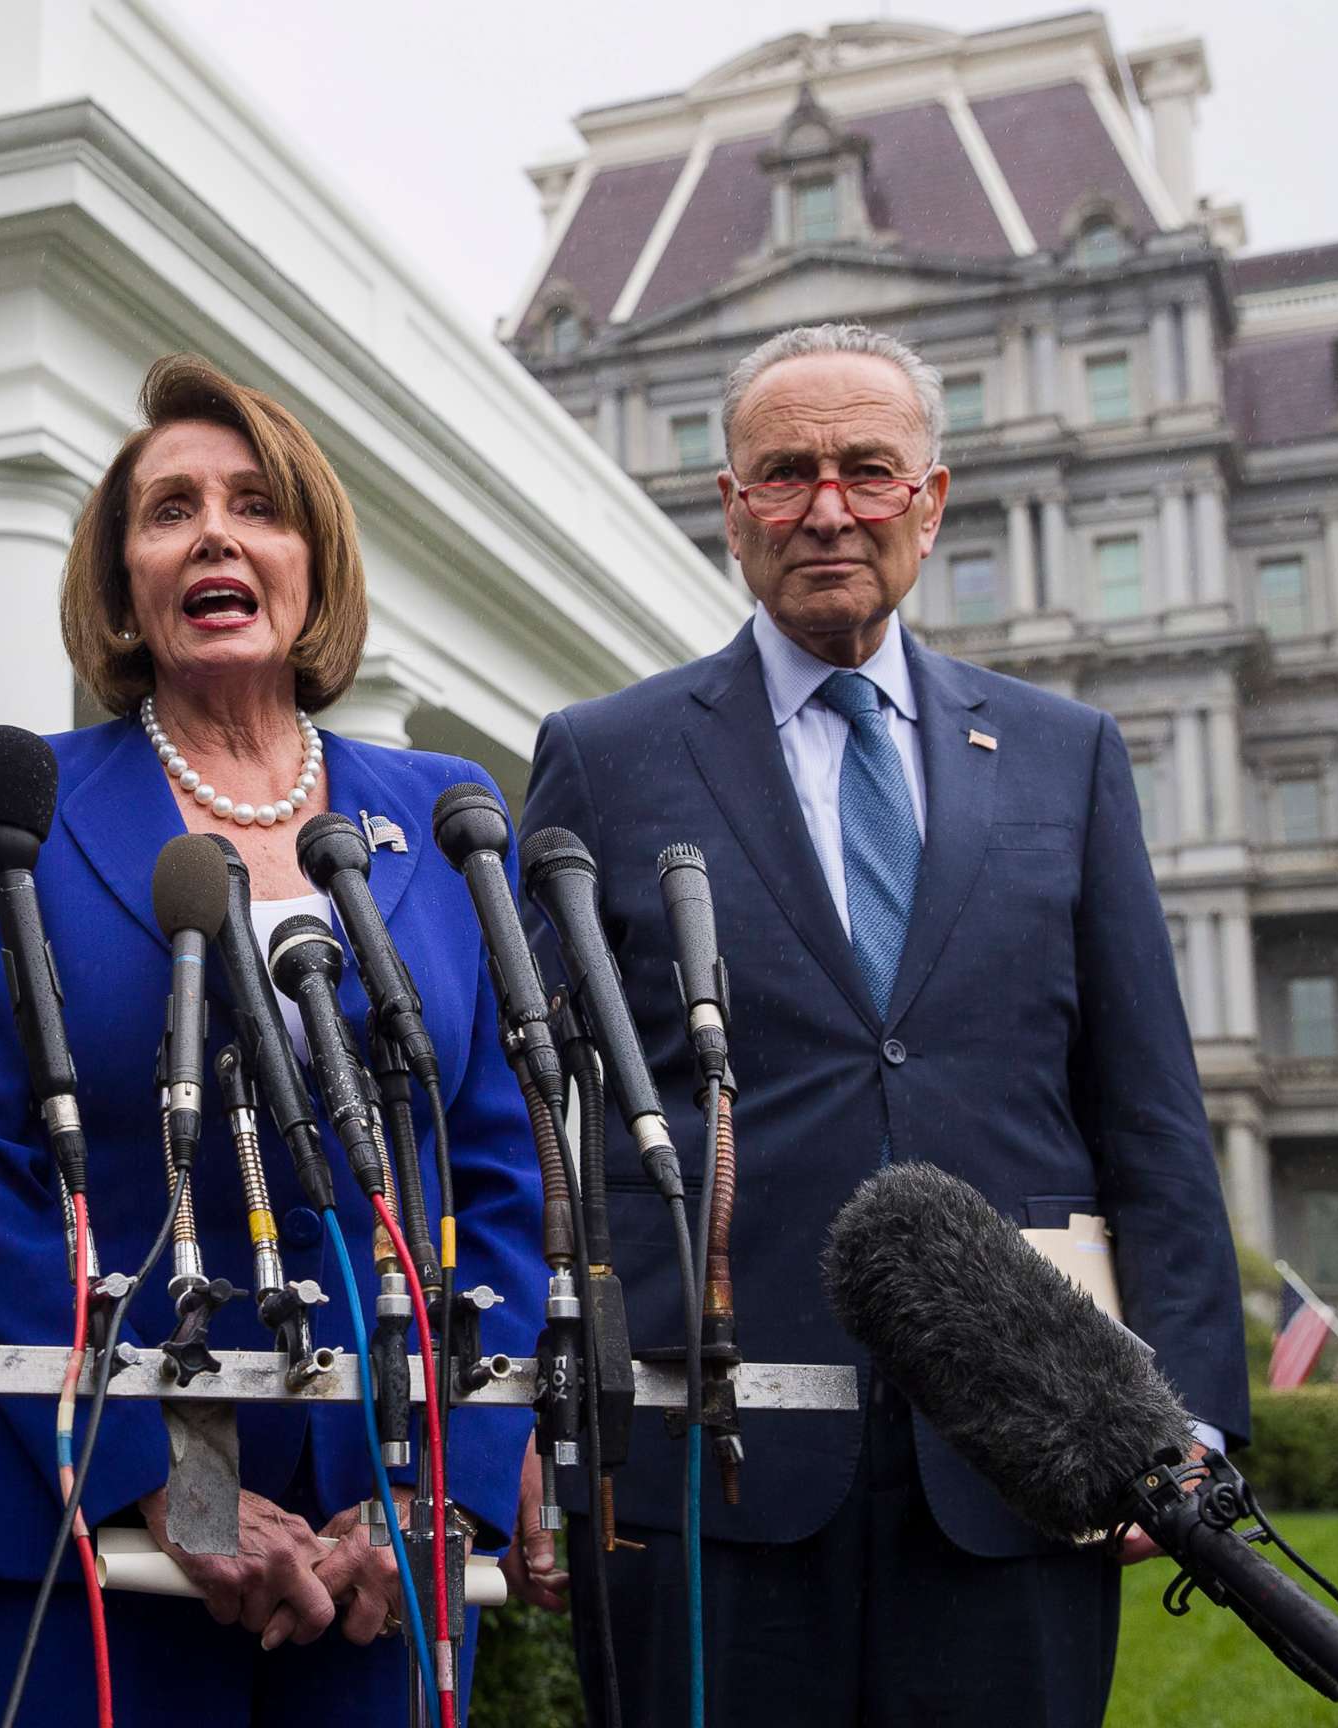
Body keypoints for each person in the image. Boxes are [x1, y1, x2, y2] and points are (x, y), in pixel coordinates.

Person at [521, 322, 1249, 1728]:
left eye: (868, 469)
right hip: (702, 1470)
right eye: (785, 474)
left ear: (933, 498)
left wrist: (1192, 1413)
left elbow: (1148, 1106)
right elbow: (539, 1113)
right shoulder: (605, 760)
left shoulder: (1066, 757)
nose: (829, 508)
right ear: (731, 511)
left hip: (1024, 1457)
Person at [0, 355, 559, 1726]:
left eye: (257, 504)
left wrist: (449, 1485)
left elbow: (500, 1168)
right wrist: (170, 1476)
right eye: (169, 509)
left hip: (386, 1536)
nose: (214, 533)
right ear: (123, 582)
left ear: (312, 559)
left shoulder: (441, 813)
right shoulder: (22, 811)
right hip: (110, 1540)